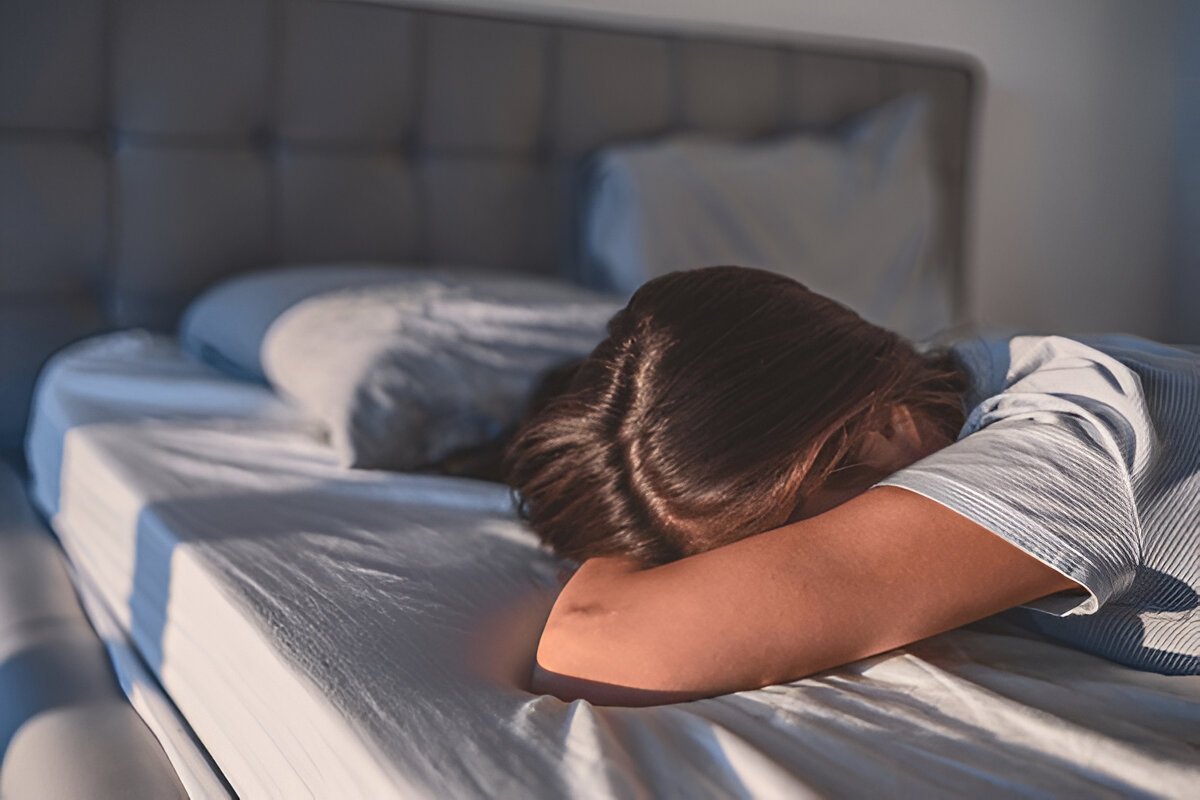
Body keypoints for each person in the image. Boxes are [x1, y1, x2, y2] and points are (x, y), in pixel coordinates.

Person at [504, 266, 1200, 706]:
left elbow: (590, 642)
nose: (887, 431)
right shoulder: (975, 371)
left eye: (837, 447)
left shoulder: (1065, 452)